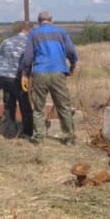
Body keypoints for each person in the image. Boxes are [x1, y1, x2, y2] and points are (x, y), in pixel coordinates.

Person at [22, 11, 78, 146]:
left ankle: (38, 138)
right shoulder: (62, 32)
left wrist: (25, 74)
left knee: (38, 107)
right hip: (58, 72)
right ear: (51, 20)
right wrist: (72, 64)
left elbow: (28, 56)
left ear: (39, 21)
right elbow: (71, 51)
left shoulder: (33, 34)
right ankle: (69, 138)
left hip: (40, 73)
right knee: (63, 106)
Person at [0, 22, 33, 138]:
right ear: (29, 30)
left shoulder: (6, 41)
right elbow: (29, 60)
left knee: (9, 105)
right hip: (17, 77)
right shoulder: (28, 42)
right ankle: (28, 132)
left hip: (3, 77)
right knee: (24, 105)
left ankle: (9, 133)